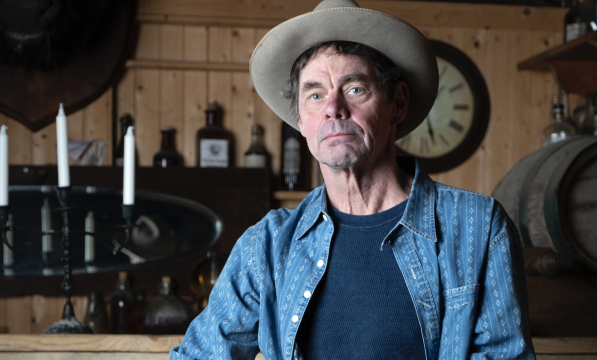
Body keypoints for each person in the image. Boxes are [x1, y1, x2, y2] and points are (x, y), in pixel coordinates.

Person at [170, 0, 535, 359]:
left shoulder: (478, 228)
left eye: (355, 88)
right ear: (301, 121)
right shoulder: (266, 247)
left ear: (399, 103)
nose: (333, 108)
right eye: (315, 94)